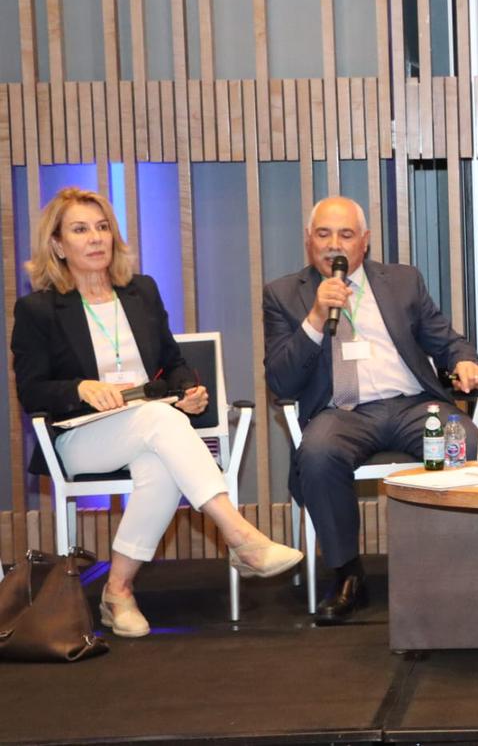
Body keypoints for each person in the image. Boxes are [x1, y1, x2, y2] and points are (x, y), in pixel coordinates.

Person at [10, 188, 302, 639]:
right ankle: (241, 538)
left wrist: (189, 393)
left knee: (161, 462)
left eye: (102, 227)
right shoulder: (39, 310)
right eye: (80, 230)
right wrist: (80, 387)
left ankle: (118, 591)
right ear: (57, 245)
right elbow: (31, 391)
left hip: (148, 427)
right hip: (78, 437)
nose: (96, 238)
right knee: (161, 423)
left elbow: (173, 362)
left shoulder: (140, 292)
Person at [263, 196, 478, 625]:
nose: (334, 244)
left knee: (470, 446)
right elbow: (281, 381)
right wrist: (315, 318)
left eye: (346, 235)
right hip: (340, 413)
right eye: (324, 234)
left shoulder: (402, 281)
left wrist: (464, 361)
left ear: (364, 241)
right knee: (317, 454)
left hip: (414, 405)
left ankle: (467, 566)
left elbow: (446, 339)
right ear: (308, 240)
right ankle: (348, 574)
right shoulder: (283, 295)